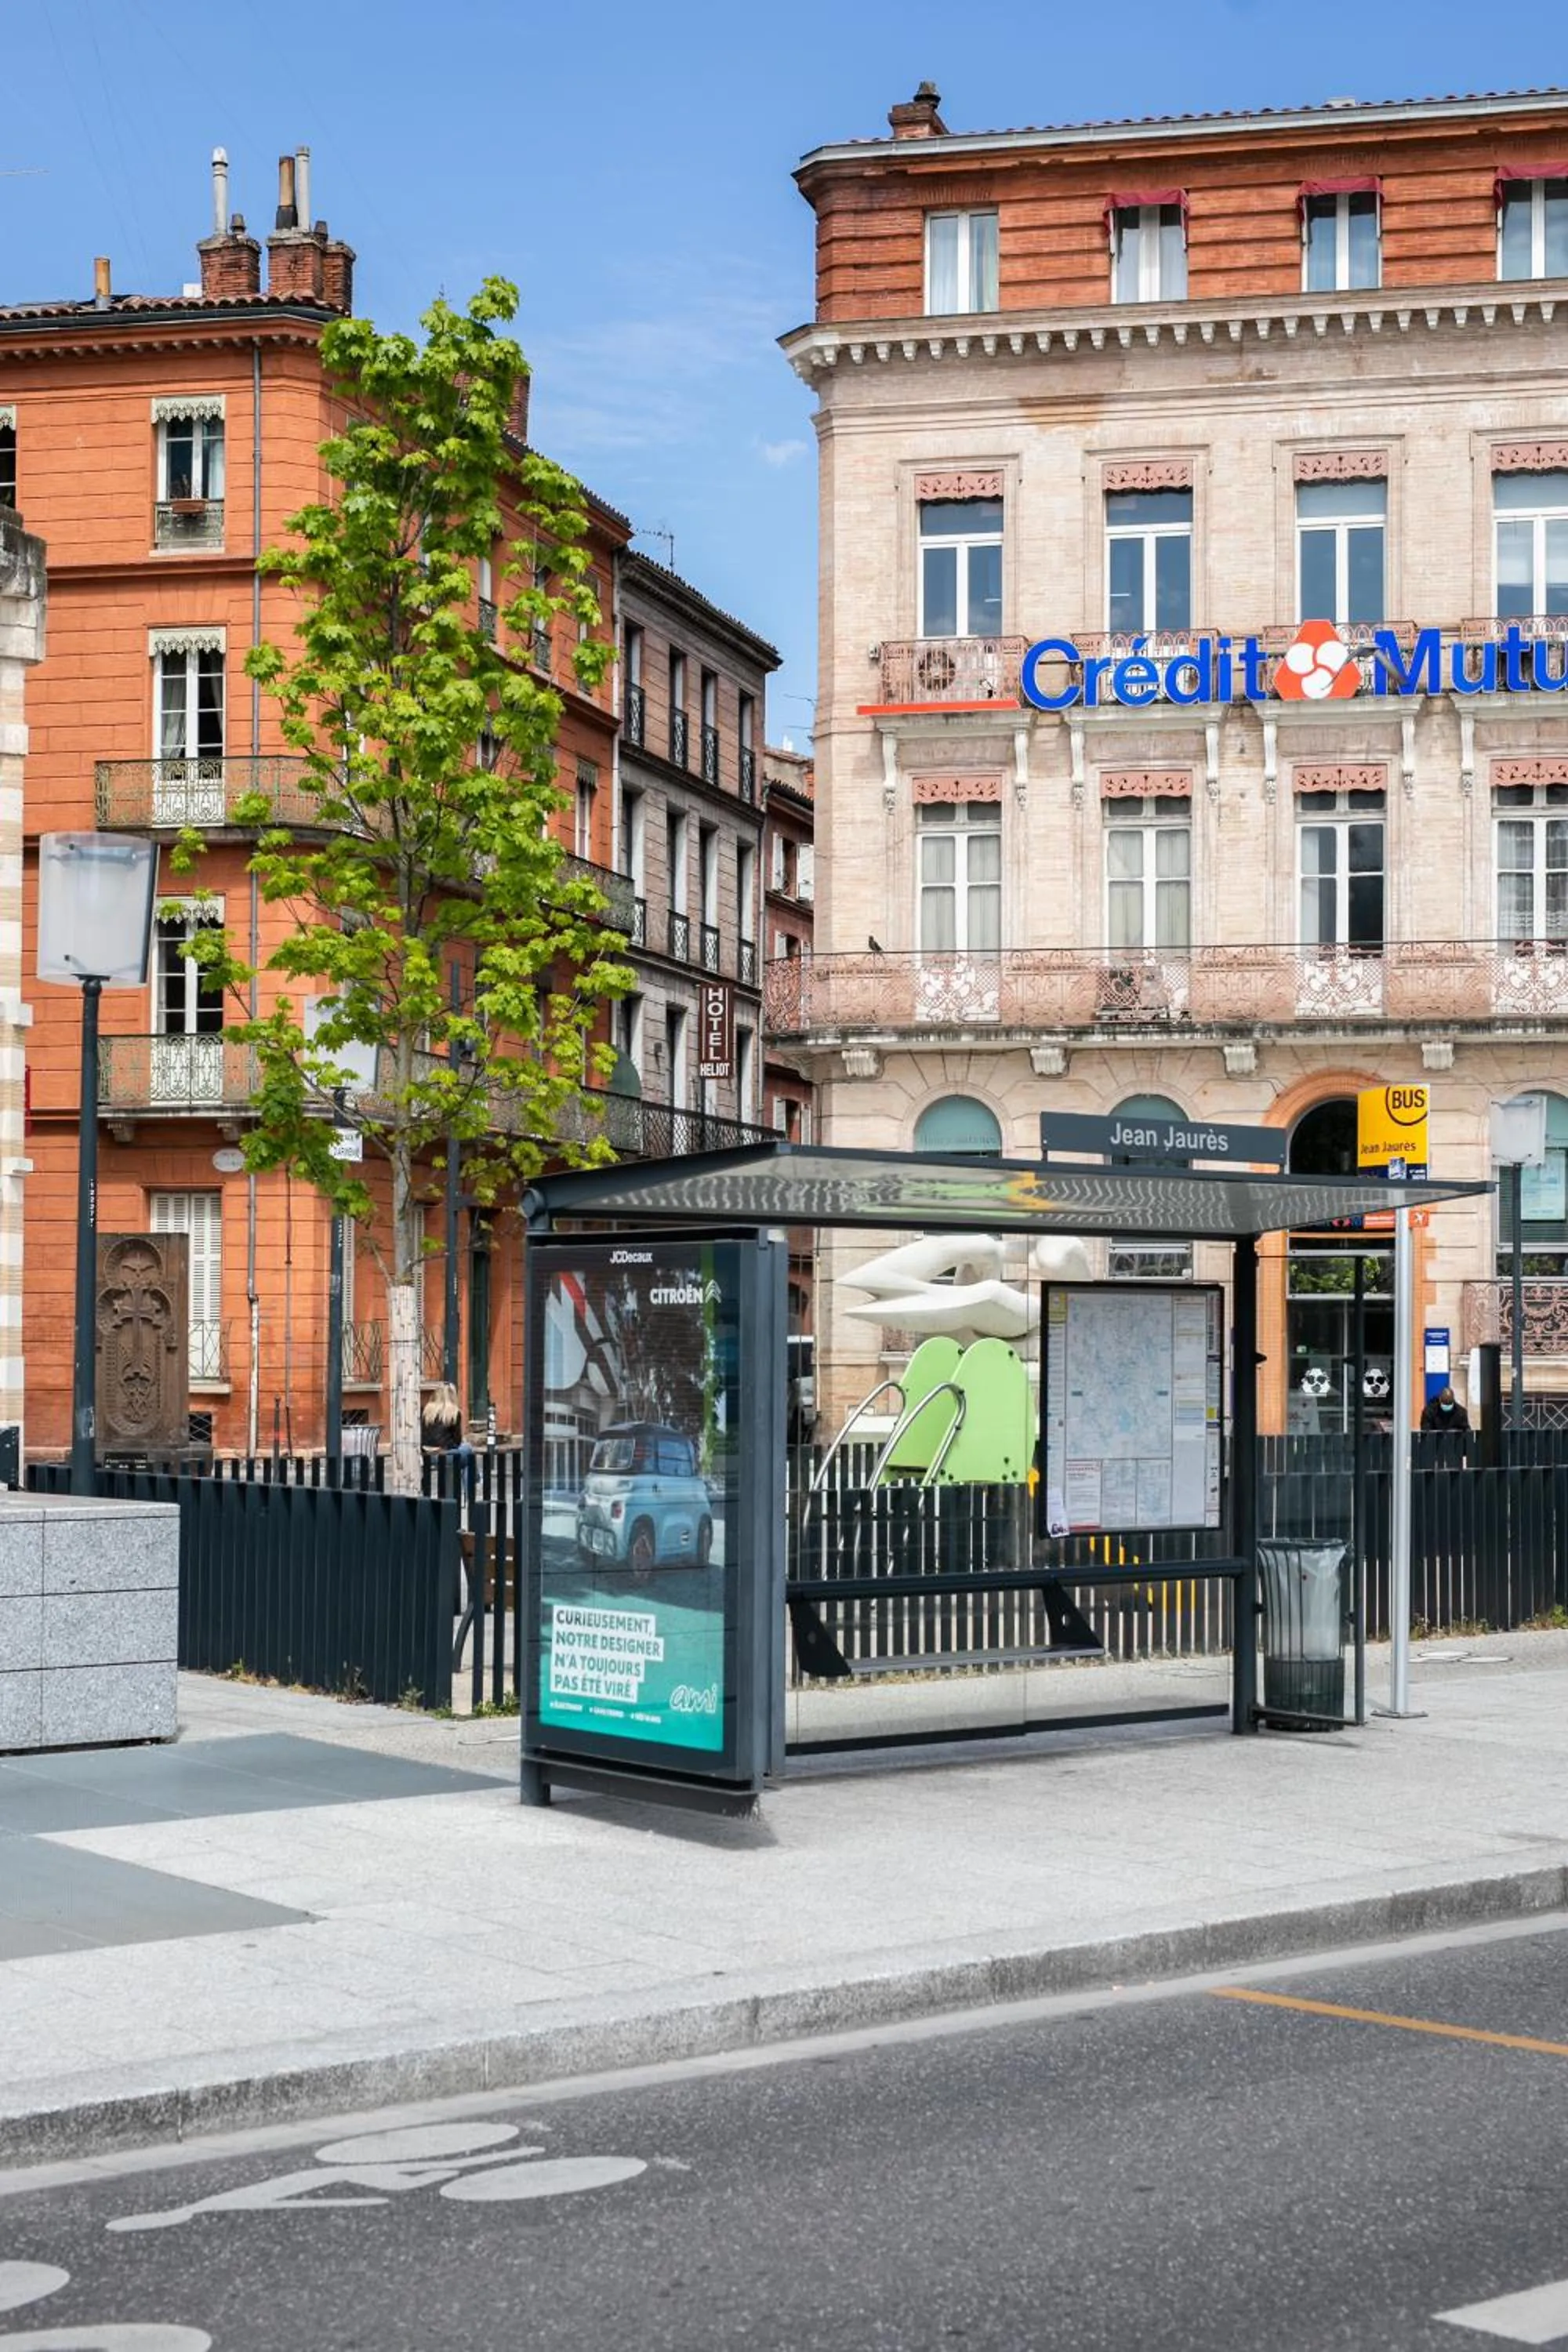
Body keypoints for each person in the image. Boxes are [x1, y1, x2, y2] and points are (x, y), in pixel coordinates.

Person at [422, 1381, 476, 1495]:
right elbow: (456, 1442)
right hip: (445, 1455)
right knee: (469, 1453)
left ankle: (473, 1481)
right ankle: (470, 1494)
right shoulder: (454, 1412)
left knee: (466, 1451)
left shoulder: (426, 1411)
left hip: (427, 1455)